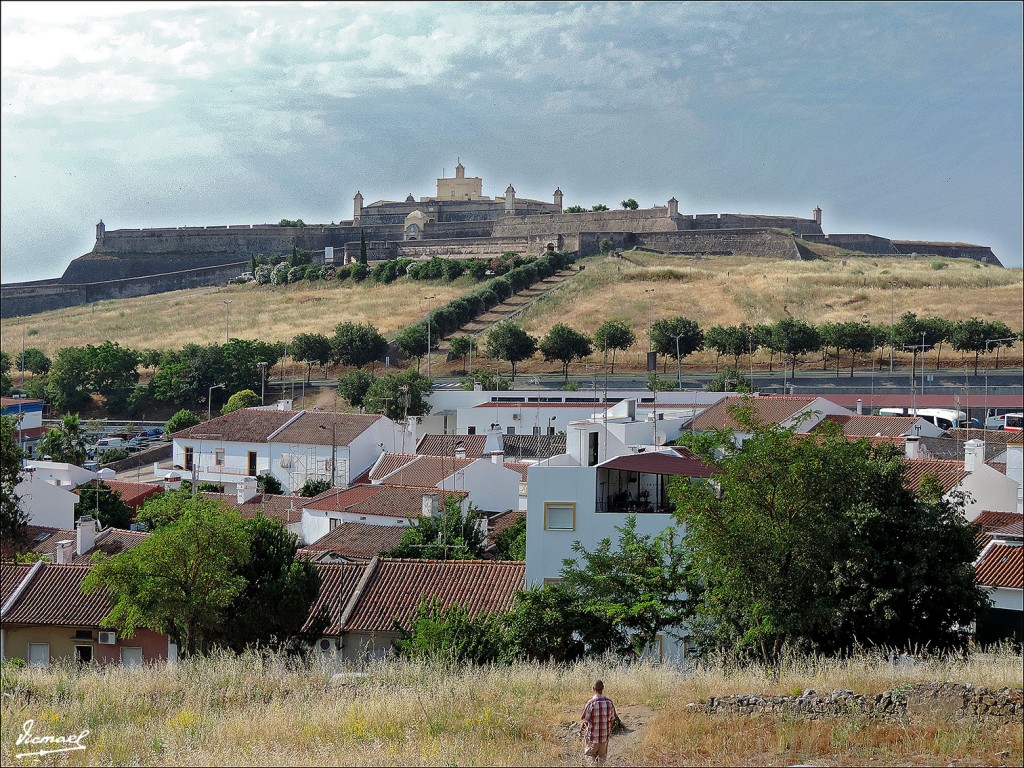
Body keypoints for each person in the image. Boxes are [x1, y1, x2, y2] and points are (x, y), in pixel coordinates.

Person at [580, 679, 617, 765]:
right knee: (601, 760)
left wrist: (581, 733)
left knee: (590, 757)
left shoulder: (591, 703)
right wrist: (608, 730)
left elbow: (585, 721)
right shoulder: (609, 702)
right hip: (604, 738)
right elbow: (612, 719)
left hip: (593, 738)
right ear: (603, 688)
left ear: (593, 689)